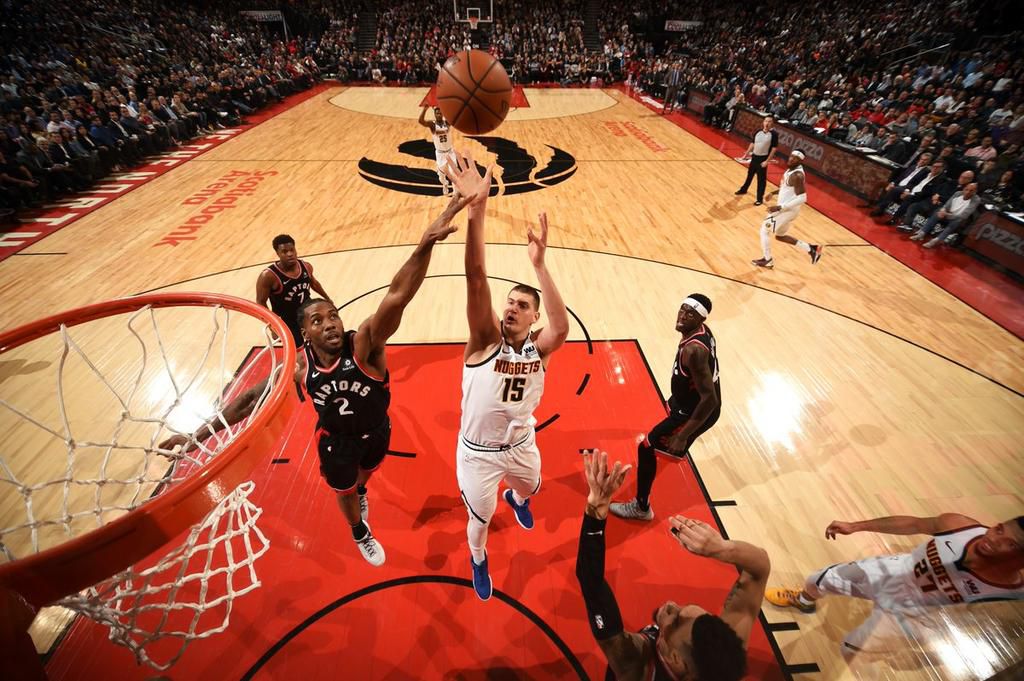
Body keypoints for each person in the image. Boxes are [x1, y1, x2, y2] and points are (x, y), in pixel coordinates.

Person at [160, 195, 473, 566]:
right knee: (344, 492)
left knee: (363, 478)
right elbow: (246, 402)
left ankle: (361, 490)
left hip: (378, 431)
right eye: (318, 320)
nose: (330, 324)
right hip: (336, 443)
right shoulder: (299, 367)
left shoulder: (365, 346)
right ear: (304, 332)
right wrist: (197, 436)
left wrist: (425, 242)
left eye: (333, 316)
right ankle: (359, 531)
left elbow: (398, 295)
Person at [445, 150, 570, 601]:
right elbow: (476, 277)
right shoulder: (483, 342)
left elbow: (562, 327)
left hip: (520, 445)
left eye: (523, 305)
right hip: (477, 454)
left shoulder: (540, 348)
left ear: (532, 317)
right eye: (510, 302)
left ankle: (518, 498)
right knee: (479, 520)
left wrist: (540, 266)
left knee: (532, 487)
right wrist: (477, 210)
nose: (512, 307)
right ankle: (478, 559)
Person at [577, 450, 770, 681]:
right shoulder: (720, 656)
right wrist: (722, 549)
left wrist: (597, 506)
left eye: (676, 619)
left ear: (676, 660)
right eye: (685, 609)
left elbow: (591, 582)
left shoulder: (636, 667)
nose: (670, 604)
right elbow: (760, 569)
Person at [766, 513, 1024, 661]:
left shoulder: (1014, 588)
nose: (994, 539)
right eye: (999, 529)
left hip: (913, 614)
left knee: (850, 652)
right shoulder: (960, 525)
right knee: (817, 579)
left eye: (1010, 544)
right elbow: (914, 524)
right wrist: (856, 526)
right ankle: (804, 601)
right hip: (897, 571)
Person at [610, 295, 720, 521]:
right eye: (682, 309)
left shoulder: (694, 351)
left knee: (646, 446)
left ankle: (641, 508)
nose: (683, 315)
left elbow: (709, 399)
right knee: (662, 441)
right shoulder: (700, 333)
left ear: (701, 319)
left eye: (691, 313)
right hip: (687, 402)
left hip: (695, 410)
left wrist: (684, 435)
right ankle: (675, 446)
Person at [256, 234, 334, 347]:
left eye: (292, 250)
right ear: (277, 253)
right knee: (298, 349)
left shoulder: (306, 266)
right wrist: (273, 326)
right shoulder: (268, 276)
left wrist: (328, 299)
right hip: (287, 319)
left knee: (320, 340)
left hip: (307, 312)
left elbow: (314, 283)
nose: (290, 254)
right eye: (284, 251)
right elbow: (261, 302)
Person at [752, 150, 823, 268]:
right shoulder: (791, 170)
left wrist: (780, 207)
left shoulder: (797, 175)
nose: (791, 159)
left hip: (786, 211)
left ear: (800, 161)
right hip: (789, 210)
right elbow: (787, 188)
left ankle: (767, 260)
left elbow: (803, 198)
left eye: (795, 158)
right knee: (780, 236)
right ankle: (812, 249)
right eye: (791, 156)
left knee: (764, 230)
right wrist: (773, 193)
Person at [735, 116, 779, 205]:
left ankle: (759, 198)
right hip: (754, 157)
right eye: (766, 121)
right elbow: (753, 144)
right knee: (749, 175)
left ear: (772, 124)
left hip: (763, 159)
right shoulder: (758, 132)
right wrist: (745, 155)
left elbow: (774, 149)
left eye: (769, 122)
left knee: (761, 179)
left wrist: (767, 161)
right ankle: (743, 190)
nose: (767, 123)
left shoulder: (774, 134)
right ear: (763, 122)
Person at [418, 106, 457, 196]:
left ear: (442, 114)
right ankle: (445, 184)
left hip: (450, 152)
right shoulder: (432, 125)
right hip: (440, 154)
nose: (439, 114)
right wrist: (425, 109)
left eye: (440, 113)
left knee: (454, 173)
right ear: (435, 115)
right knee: (441, 176)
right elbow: (421, 121)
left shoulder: (447, 123)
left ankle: (455, 193)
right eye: (437, 113)